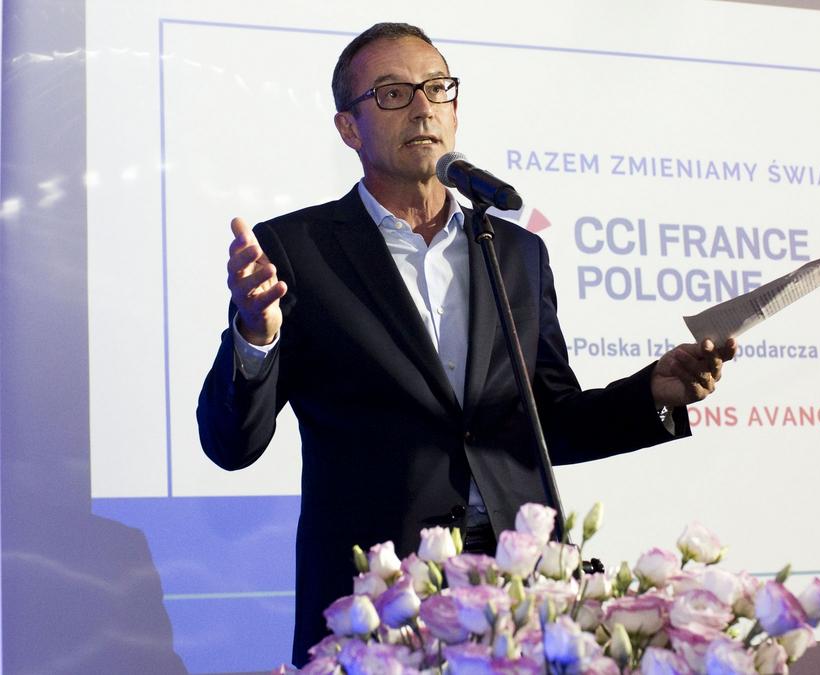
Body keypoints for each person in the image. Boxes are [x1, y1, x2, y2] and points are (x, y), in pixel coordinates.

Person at [196, 22, 736, 666]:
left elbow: (549, 422)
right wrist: (256, 337)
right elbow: (232, 445)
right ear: (348, 128)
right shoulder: (296, 251)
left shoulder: (515, 252)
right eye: (392, 93)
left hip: (520, 587)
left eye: (436, 88)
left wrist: (655, 393)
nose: (422, 107)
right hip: (381, 597)